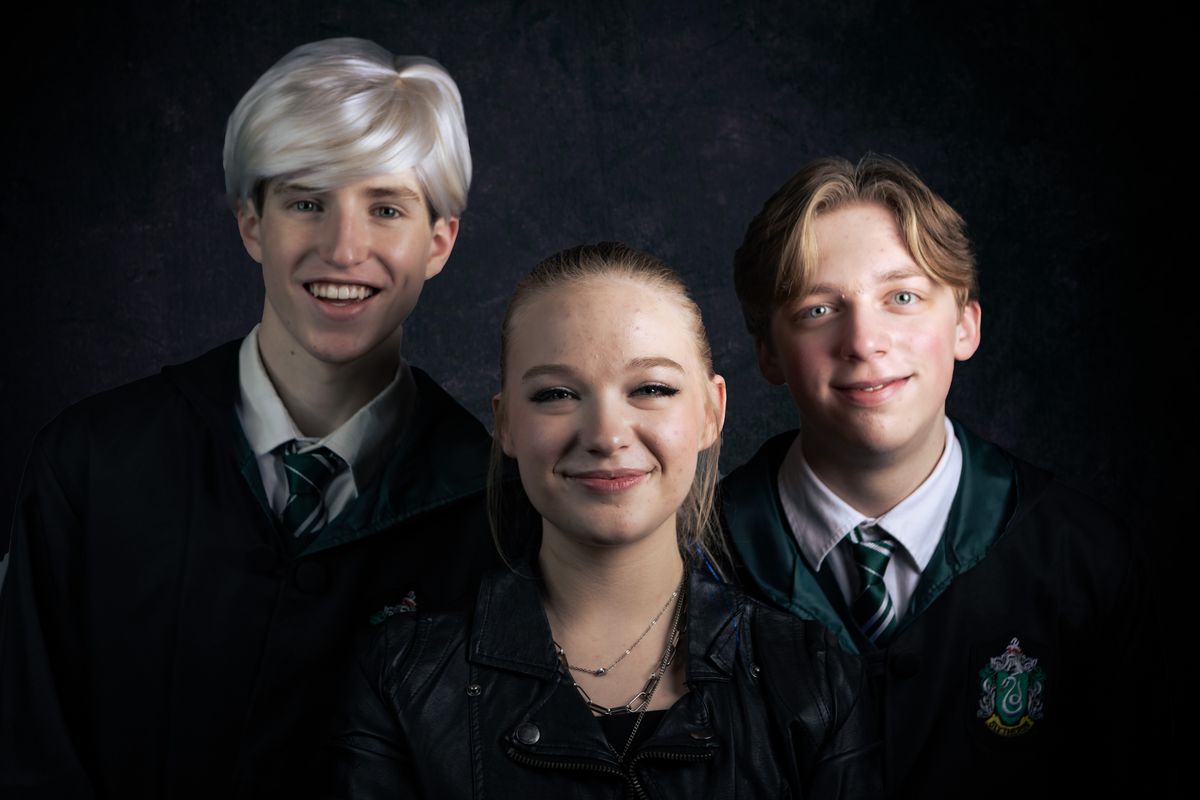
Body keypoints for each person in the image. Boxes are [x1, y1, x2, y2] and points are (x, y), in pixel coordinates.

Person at [0, 38, 496, 797]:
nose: (343, 249)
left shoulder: (493, 507)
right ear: (252, 223)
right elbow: (25, 754)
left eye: (385, 208)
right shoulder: (90, 463)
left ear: (438, 242)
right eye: (306, 202)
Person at [324, 242, 881, 798]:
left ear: (712, 412)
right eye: (557, 394)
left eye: (652, 389)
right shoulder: (400, 676)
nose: (607, 435)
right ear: (506, 423)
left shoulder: (815, 678)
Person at [723, 155, 1154, 797]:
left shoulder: (1082, 558)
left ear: (964, 326)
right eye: (818, 309)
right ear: (768, 354)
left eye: (902, 297)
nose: (864, 341)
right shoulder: (699, 562)